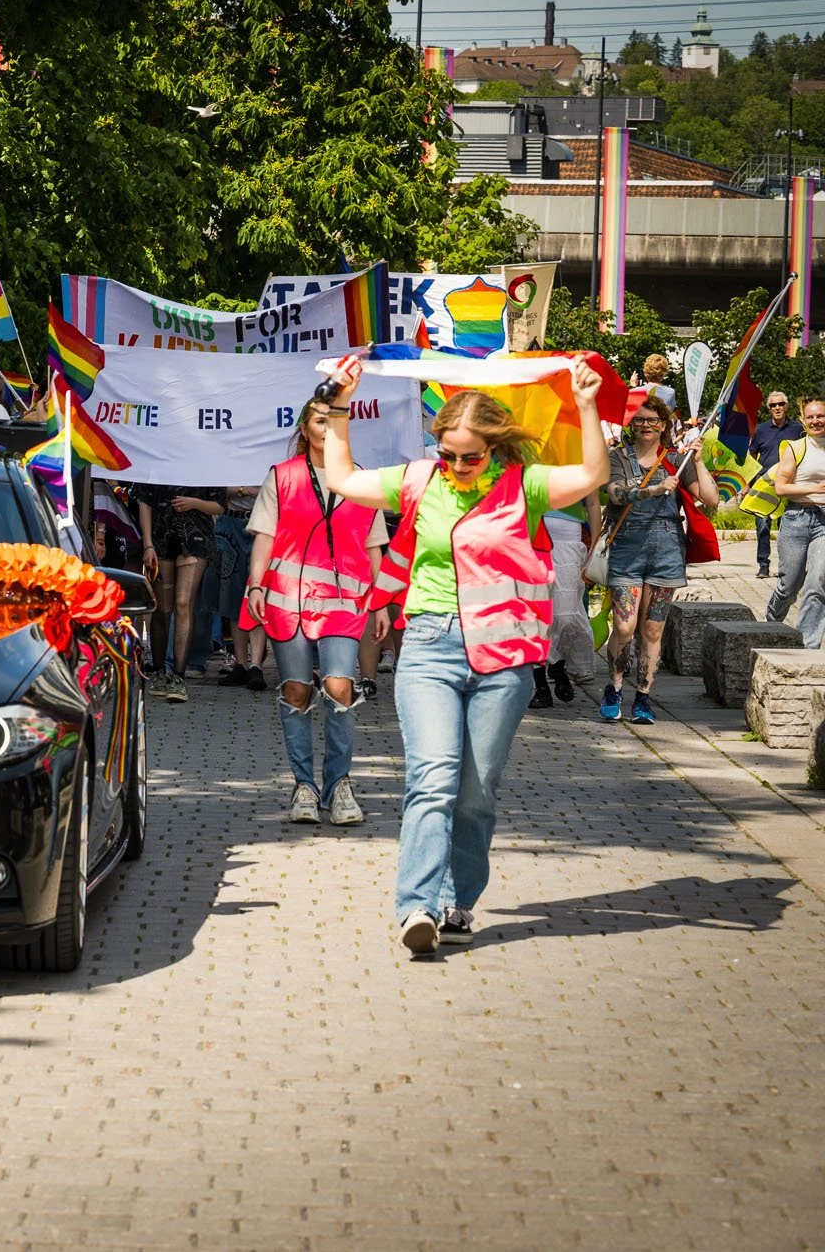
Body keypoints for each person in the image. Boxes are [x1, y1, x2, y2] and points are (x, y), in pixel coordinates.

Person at [319, 356, 608, 955]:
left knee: (477, 794)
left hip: (503, 660)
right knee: (433, 779)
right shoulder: (421, 480)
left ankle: (457, 898)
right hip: (428, 648)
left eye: (469, 455)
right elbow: (343, 478)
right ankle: (416, 908)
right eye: (446, 452)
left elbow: (590, 473)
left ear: (495, 447)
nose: (455, 465)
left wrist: (584, 403)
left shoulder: (524, 486)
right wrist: (341, 405)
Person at [244, 397, 389, 825]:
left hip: (344, 602)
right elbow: (264, 539)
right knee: (296, 692)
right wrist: (256, 584)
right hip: (287, 600)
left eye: (335, 421)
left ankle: (339, 785)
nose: (328, 428)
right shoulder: (282, 476)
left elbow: (373, 544)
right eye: (319, 421)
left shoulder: (363, 480)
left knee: (340, 686)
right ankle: (304, 786)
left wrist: (381, 600)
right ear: (304, 430)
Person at [600, 395, 717, 724]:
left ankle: (643, 696)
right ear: (632, 425)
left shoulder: (676, 459)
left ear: (665, 425)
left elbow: (710, 499)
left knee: (652, 630)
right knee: (625, 626)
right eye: (640, 420)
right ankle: (614, 686)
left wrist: (699, 460)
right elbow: (616, 493)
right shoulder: (619, 457)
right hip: (626, 548)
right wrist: (651, 490)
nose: (647, 425)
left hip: (666, 549)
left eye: (654, 420)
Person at [140, 484, 224, 702]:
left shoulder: (208, 463)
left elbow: (220, 505)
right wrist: (148, 544)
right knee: (161, 608)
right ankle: (159, 671)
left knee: (183, 603)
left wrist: (194, 503)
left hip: (195, 540)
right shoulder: (159, 458)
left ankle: (178, 676)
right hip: (161, 539)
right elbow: (145, 501)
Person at [530, 491, 601, 709]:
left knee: (566, 615)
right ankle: (541, 686)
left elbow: (592, 501)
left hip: (568, 538)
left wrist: (595, 544)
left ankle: (558, 665)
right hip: (527, 534)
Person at [766, 396, 825, 648]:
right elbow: (780, 487)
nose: (816, 421)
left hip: (823, 521)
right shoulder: (795, 447)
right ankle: (769, 626)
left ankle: (806, 646)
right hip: (796, 519)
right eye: (811, 417)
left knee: (818, 583)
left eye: (820, 416)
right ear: (803, 419)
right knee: (788, 586)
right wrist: (814, 488)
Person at [213, 486, 267, 692]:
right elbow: (216, 489)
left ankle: (256, 666)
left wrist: (242, 491)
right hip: (231, 522)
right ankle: (242, 664)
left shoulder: (270, 455)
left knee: (258, 591)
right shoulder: (228, 455)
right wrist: (249, 490)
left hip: (263, 524)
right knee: (232, 596)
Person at [748, 392, 803, 578]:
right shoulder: (761, 430)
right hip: (765, 485)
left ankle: (786, 567)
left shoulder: (798, 428)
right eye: (773, 405)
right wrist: (748, 483)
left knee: (787, 528)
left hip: (789, 484)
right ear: (768, 408)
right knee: (762, 526)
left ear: (786, 406)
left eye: (780, 404)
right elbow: (751, 456)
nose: (777, 408)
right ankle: (763, 565)